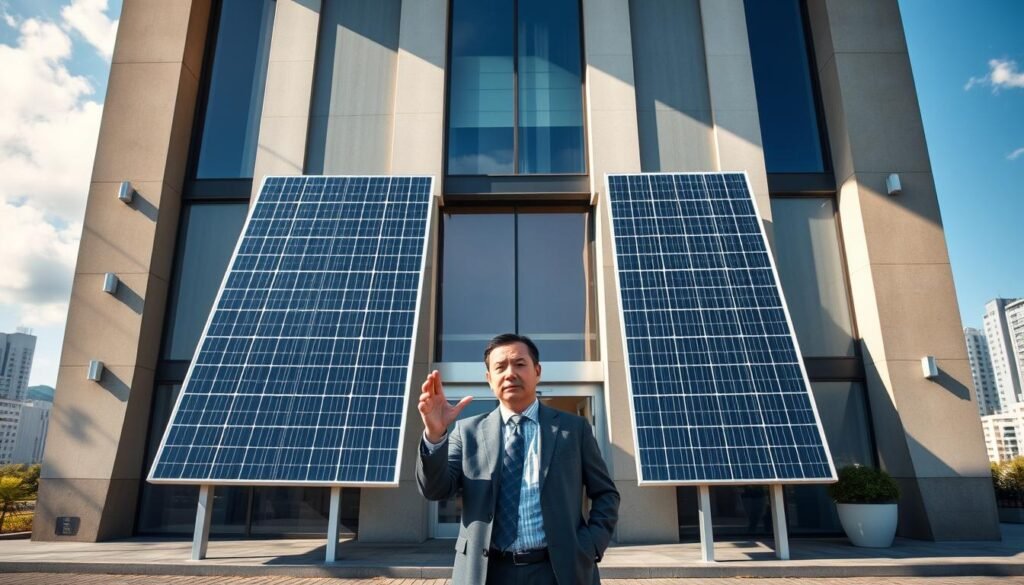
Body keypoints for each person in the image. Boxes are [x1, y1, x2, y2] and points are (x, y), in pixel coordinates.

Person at [416, 333, 620, 585]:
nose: (510, 373)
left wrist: (590, 545)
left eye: (520, 364)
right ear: (489, 379)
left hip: (558, 571)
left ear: (537, 371)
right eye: (500, 367)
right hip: (486, 573)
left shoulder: (573, 429)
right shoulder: (467, 432)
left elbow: (606, 494)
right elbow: (435, 490)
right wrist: (435, 434)